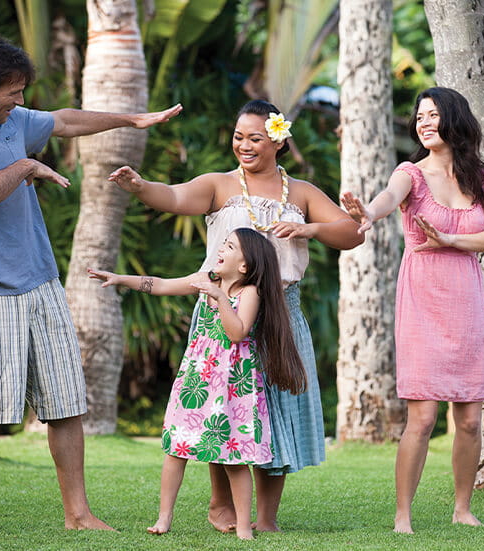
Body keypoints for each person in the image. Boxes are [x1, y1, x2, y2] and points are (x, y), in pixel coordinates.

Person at [0, 32, 181, 537]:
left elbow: (65, 120)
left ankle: (78, 515)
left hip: (41, 281)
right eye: (13, 92)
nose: (20, 101)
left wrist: (131, 119)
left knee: (65, 403)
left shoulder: (12, 120)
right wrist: (26, 165)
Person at [107, 99, 363, 532]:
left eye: (255, 138)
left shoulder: (301, 192)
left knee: (276, 411)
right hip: (221, 313)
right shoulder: (219, 185)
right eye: (239, 136)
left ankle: (266, 517)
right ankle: (220, 504)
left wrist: (310, 228)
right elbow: (173, 196)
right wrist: (139, 186)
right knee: (222, 406)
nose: (244, 145)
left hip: (281, 315)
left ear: (278, 141)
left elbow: (351, 233)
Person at [340, 87, 484, 534]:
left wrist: (451, 240)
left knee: (469, 420)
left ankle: (462, 508)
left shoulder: (482, 179)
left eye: (432, 115)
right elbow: (387, 196)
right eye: (419, 117)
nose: (424, 123)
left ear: (454, 119)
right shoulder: (410, 173)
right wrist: (369, 213)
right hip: (423, 301)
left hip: (467, 303)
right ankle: (403, 516)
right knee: (423, 418)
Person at [87, 227, 306, 540]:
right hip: (197, 379)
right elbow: (161, 284)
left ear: (244, 265)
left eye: (229, 246)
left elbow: (237, 332)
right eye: (224, 244)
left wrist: (220, 298)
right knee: (176, 449)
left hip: (234, 386)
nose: (221, 249)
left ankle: (245, 526)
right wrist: (121, 279)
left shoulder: (250, 293)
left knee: (234, 458)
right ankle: (164, 518)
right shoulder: (206, 280)